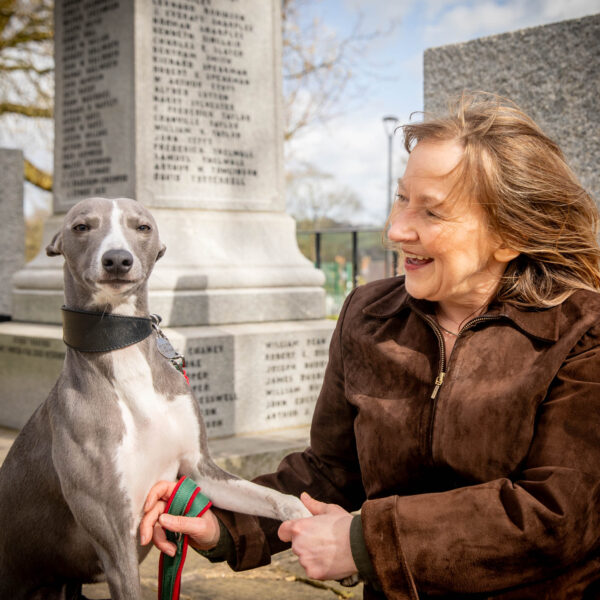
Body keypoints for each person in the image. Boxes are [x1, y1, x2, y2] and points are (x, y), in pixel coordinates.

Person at [140, 93, 600, 599]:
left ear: (510, 235)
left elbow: (558, 513)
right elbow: (330, 470)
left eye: (432, 212)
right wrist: (219, 520)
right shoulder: (367, 314)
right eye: (402, 198)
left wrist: (362, 542)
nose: (397, 229)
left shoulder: (582, 331)